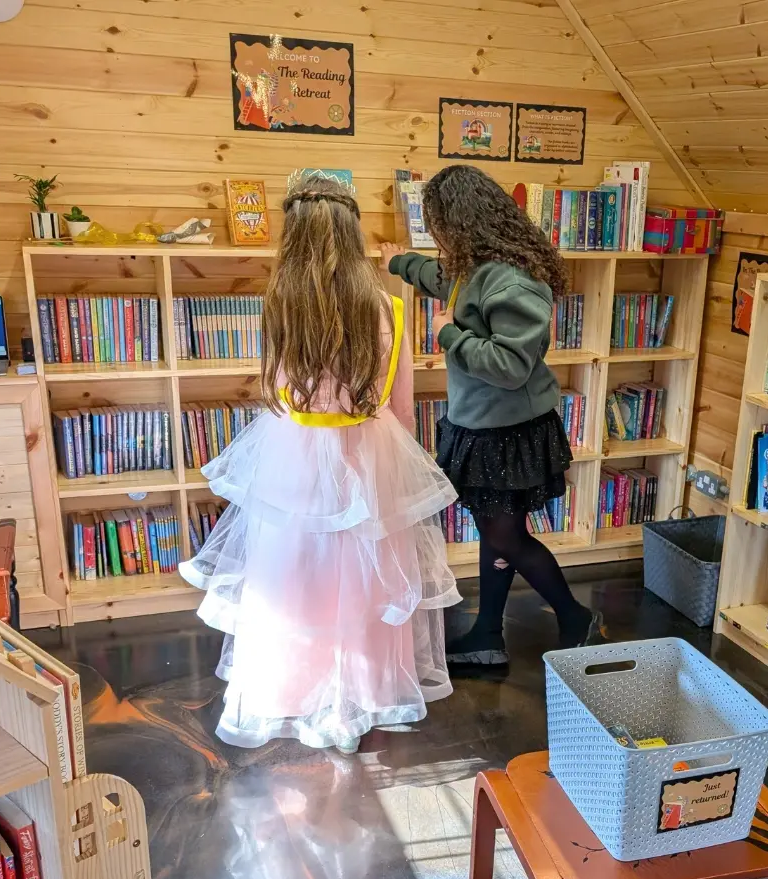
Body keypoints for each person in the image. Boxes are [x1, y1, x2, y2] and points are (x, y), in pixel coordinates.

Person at [180, 176, 459, 753]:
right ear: (354, 232)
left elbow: (277, 394)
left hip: (296, 455)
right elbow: (402, 409)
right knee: (363, 583)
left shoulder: (280, 306)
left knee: (292, 582)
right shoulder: (389, 307)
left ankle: (292, 690)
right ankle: (362, 691)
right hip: (370, 452)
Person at [382, 164, 602, 666]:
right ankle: (487, 635)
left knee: (506, 535)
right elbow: (446, 282)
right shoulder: (475, 265)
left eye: (434, 221)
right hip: (481, 425)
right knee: (495, 530)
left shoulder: (512, 282)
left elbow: (508, 366)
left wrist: (447, 334)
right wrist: (400, 263)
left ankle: (575, 617)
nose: (433, 232)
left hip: (509, 431)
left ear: (458, 221)